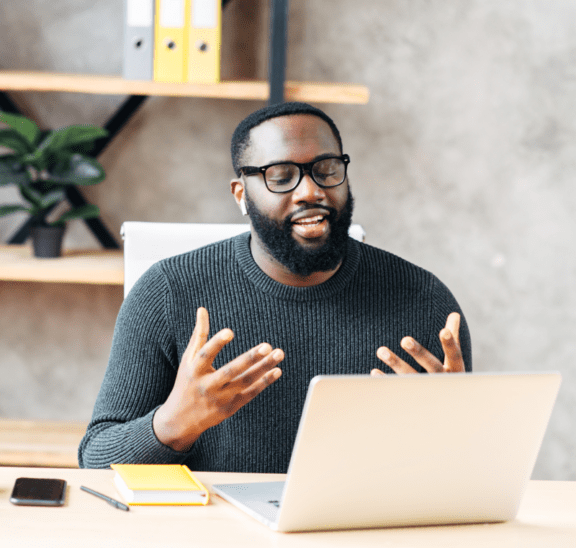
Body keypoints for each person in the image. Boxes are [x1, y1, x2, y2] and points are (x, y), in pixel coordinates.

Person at [78, 102, 472, 472]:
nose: (310, 191)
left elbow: (461, 474)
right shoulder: (168, 293)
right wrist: (172, 424)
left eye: (327, 169)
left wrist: (455, 428)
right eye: (281, 177)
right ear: (241, 195)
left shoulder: (424, 301)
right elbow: (96, 458)